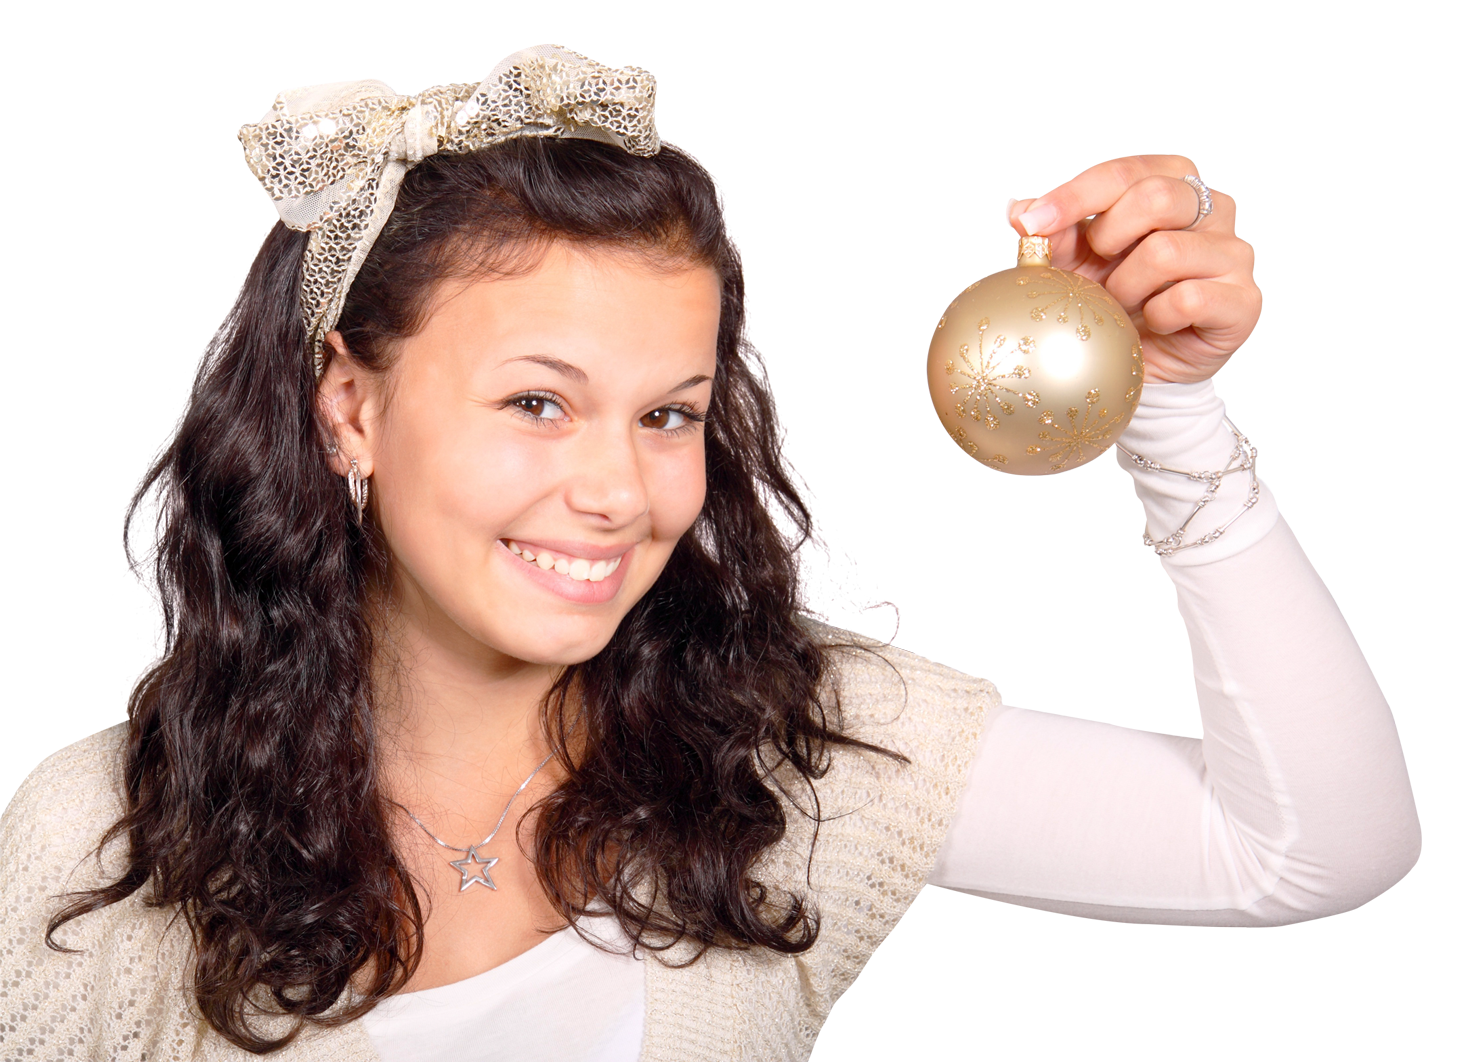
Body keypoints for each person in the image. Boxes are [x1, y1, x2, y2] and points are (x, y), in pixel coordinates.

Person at [0, 51, 1417, 1061]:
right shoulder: (82, 858)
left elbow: (1318, 847)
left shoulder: (781, 757)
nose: (618, 489)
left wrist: (1164, 414)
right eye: (538, 401)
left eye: (668, 412)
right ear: (350, 404)